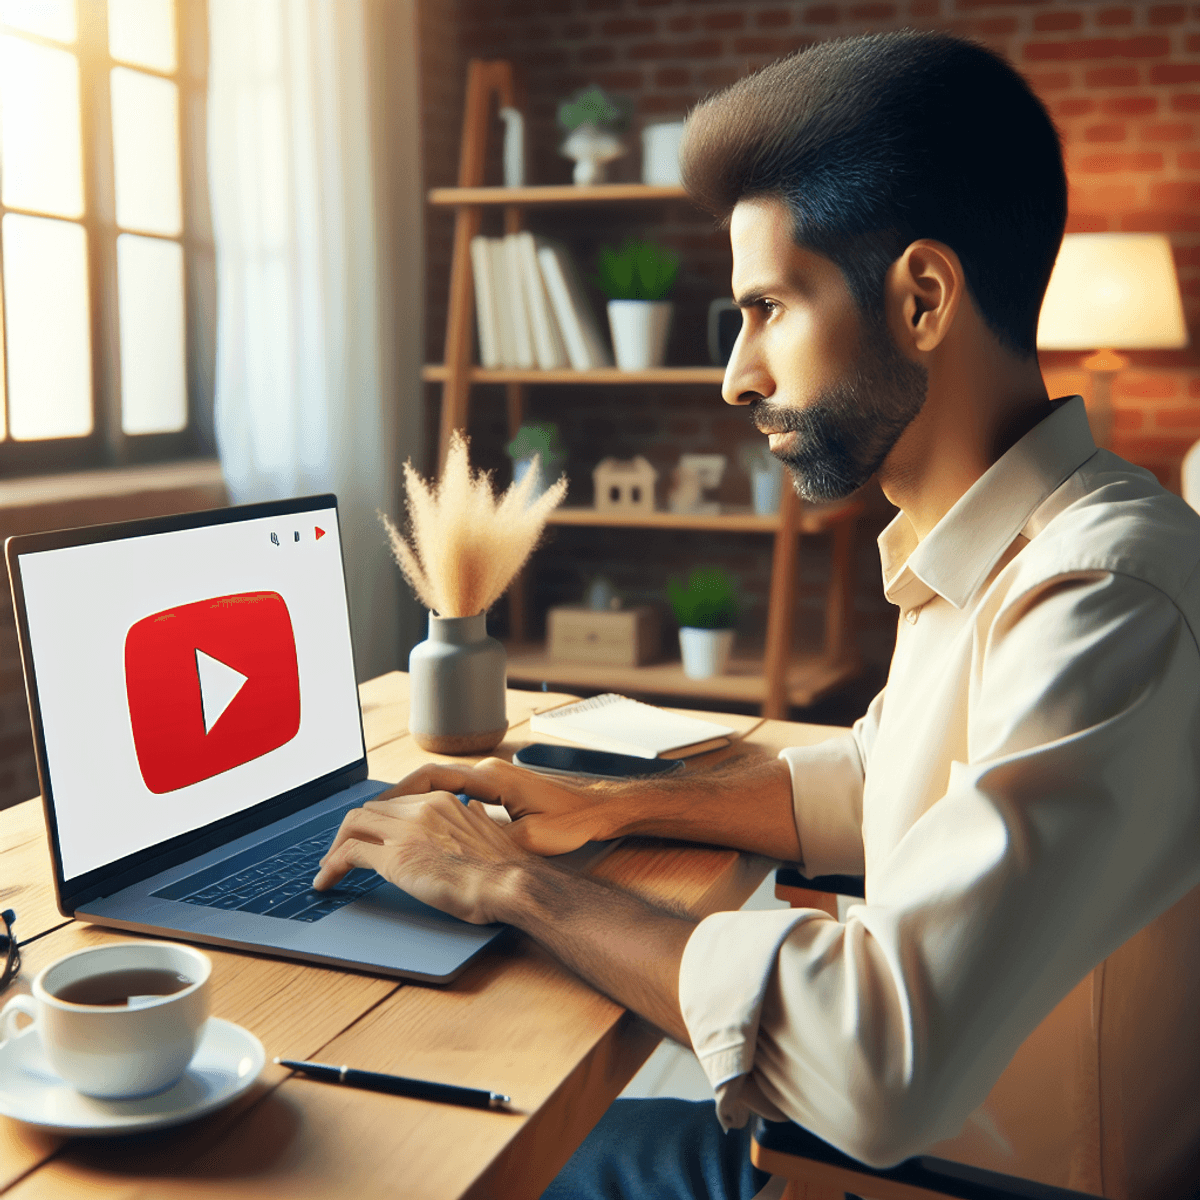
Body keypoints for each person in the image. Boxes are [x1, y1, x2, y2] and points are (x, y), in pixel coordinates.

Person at [314, 30, 1200, 1200]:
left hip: (935, 1179)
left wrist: (510, 883)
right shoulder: (1008, 553)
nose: (737, 376)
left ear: (923, 298)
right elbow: (880, 777)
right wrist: (609, 805)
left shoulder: (1101, 595)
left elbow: (881, 1060)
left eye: (768, 309)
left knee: (422, 1163)